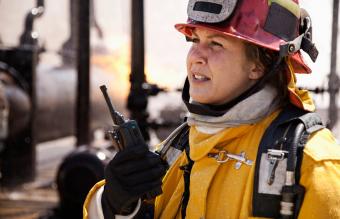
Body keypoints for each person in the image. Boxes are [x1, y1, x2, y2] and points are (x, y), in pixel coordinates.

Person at [83, 0, 340, 218]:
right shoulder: (180, 148)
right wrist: (114, 204)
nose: (196, 56)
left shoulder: (313, 167)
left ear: (259, 64)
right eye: (195, 39)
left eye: (216, 43)